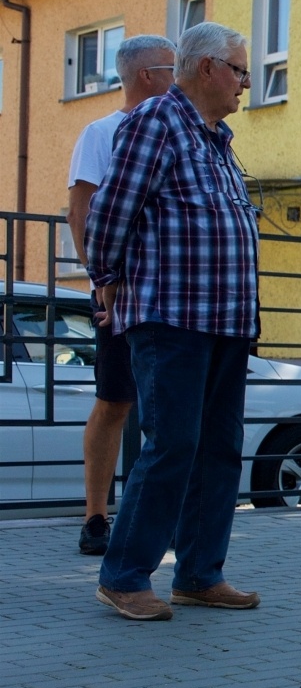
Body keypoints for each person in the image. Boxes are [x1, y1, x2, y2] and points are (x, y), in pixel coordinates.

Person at [84, 21, 261, 621]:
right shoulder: (157, 120)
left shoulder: (218, 137)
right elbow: (111, 209)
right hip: (171, 315)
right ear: (207, 68)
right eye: (239, 69)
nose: (246, 81)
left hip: (225, 320)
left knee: (219, 448)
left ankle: (199, 574)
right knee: (172, 444)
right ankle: (125, 574)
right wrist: (104, 278)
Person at [65, 34, 177, 556]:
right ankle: (95, 518)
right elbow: (81, 212)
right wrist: (100, 281)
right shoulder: (102, 132)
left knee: (170, 410)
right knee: (114, 402)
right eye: (174, 69)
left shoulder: (189, 131)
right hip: (120, 292)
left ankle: (160, 520)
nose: (183, 78)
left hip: (172, 297)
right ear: (148, 76)